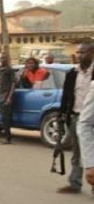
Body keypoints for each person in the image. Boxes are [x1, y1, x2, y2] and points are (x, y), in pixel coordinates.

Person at [60, 42, 94, 194]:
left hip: (92, 118)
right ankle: (75, 183)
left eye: (83, 52)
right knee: (77, 152)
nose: (79, 55)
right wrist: (63, 113)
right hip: (75, 116)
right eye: (78, 52)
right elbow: (66, 96)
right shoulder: (72, 73)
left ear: (92, 52)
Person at [0, 53, 17, 145]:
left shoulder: (10, 70)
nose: (2, 59)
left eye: (4, 58)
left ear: (8, 59)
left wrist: (9, 97)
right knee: (3, 117)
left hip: (7, 95)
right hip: (1, 95)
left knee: (6, 117)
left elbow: (13, 83)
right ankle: (5, 136)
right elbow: (0, 81)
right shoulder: (0, 70)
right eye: (1, 58)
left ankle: (8, 138)